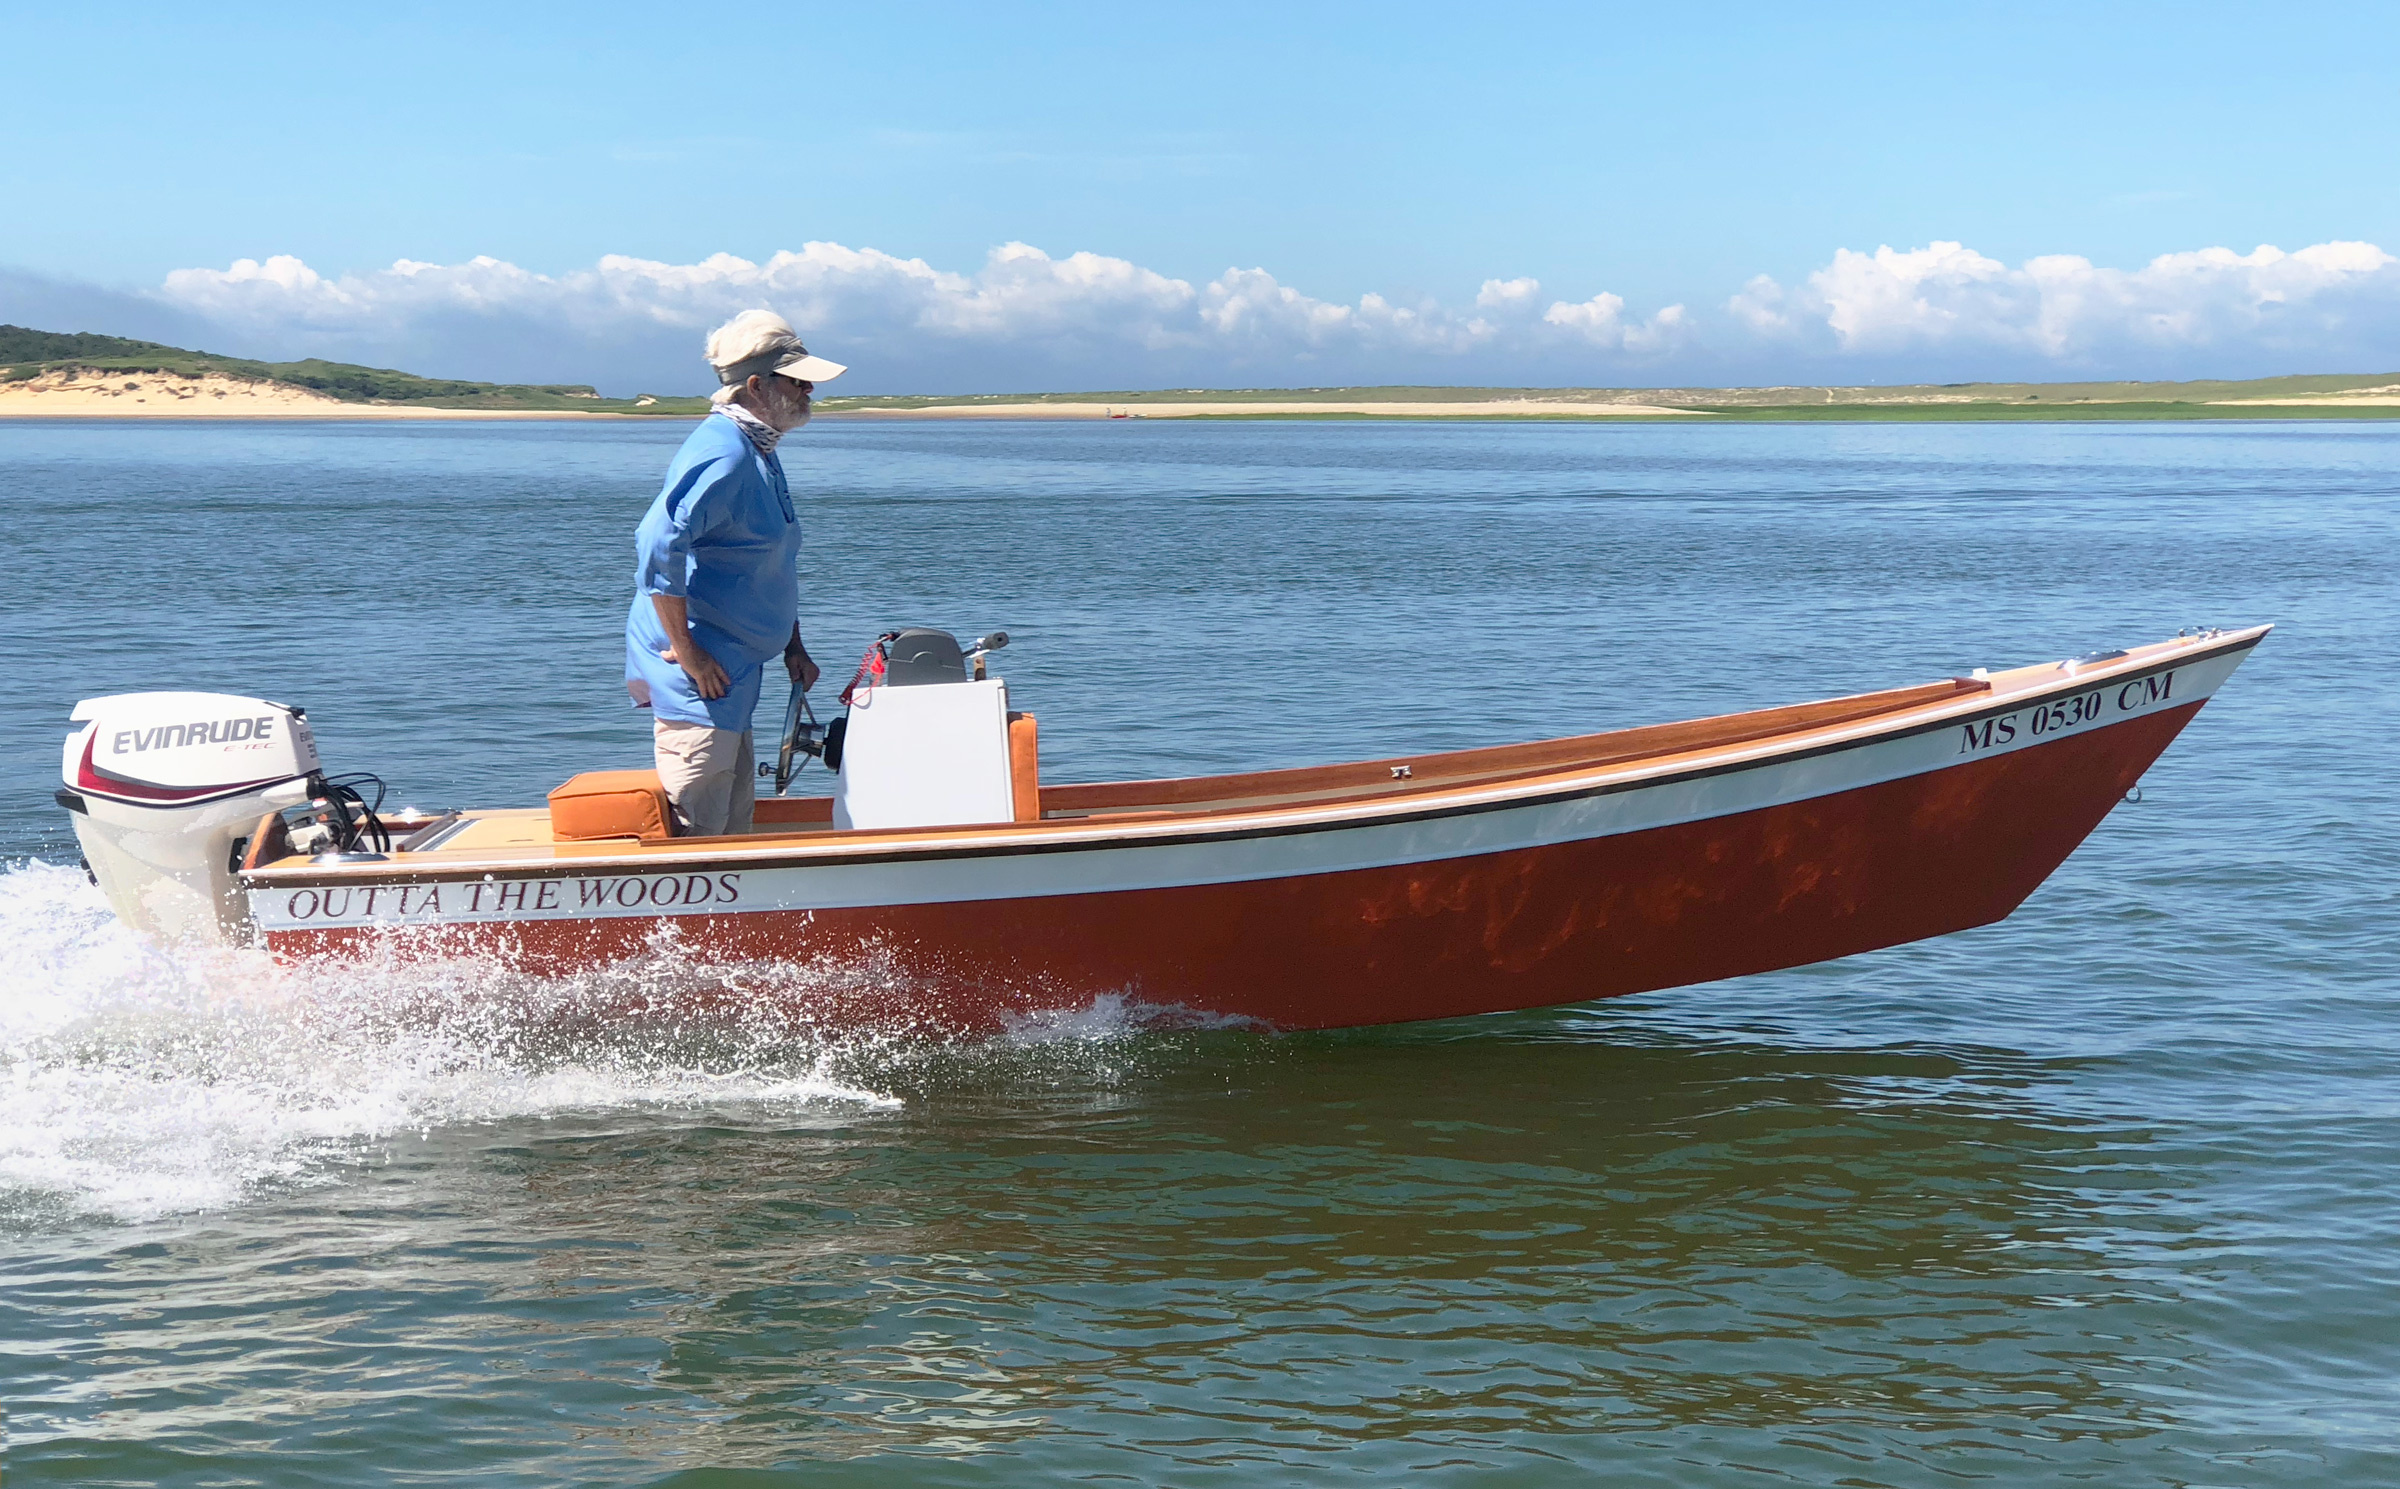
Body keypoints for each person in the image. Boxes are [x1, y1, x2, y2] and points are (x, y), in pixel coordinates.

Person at [624, 310, 842, 835]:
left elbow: (766, 563)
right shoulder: (725, 455)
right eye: (798, 380)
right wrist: (692, 653)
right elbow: (655, 544)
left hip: (737, 672)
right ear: (754, 386)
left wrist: (793, 645)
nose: (811, 389)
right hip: (702, 676)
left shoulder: (759, 449)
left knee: (735, 824)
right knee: (702, 831)